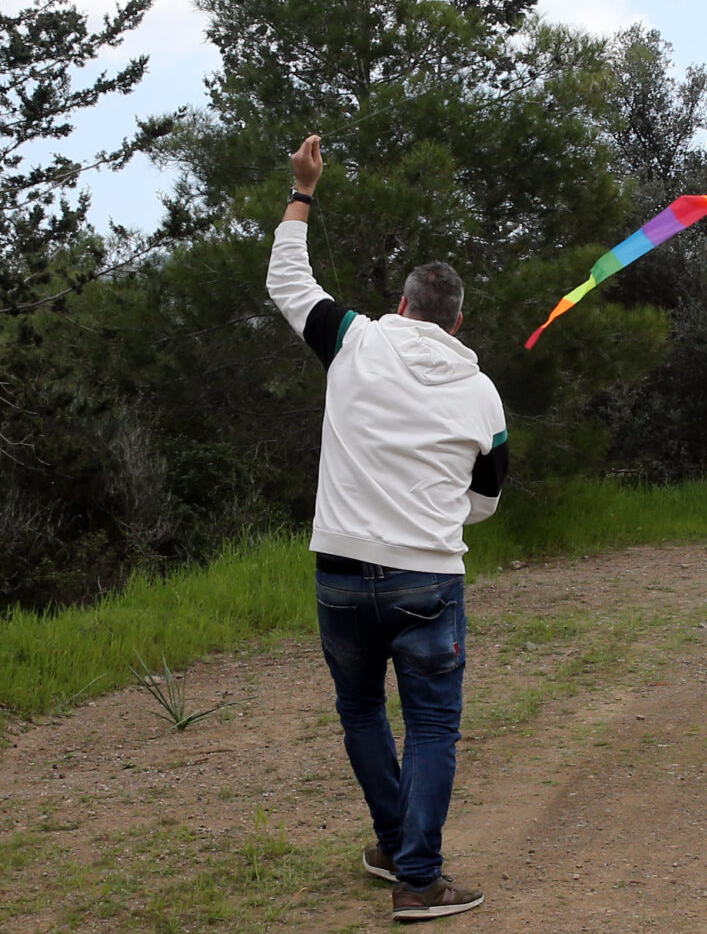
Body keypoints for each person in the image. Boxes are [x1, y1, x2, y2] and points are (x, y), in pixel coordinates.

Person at [265, 135, 503, 922]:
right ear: (457, 321)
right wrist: (437, 512)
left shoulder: (354, 340)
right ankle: (417, 876)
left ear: (401, 304)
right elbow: (487, 499)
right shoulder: (482, 394)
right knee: (432, 724)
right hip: (429, 577)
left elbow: (287, 280)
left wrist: (304, 190)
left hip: (338, 568)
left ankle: (394, 845)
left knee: (362, 712)